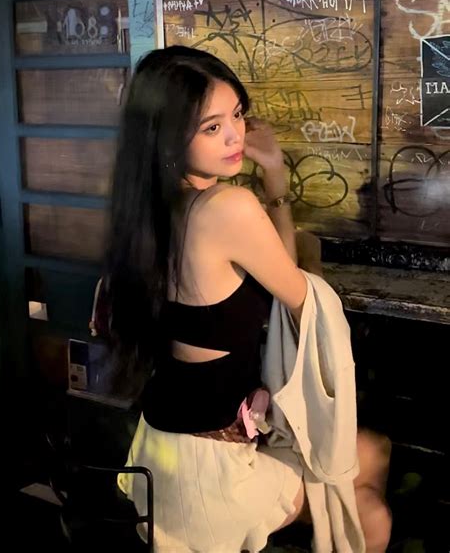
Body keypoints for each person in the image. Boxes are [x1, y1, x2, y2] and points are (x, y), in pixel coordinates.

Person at [105, 45, 392, 552]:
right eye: (212, 127)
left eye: (237, 114)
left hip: (162, 449)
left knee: (365, 455)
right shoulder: (225, 207)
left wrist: (273, 174)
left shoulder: (147, 209)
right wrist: (276, 182)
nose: (236, 135)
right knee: (367, 501)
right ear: (168, 136)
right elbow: (299, 294)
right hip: (210, 476)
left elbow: (273, 269)